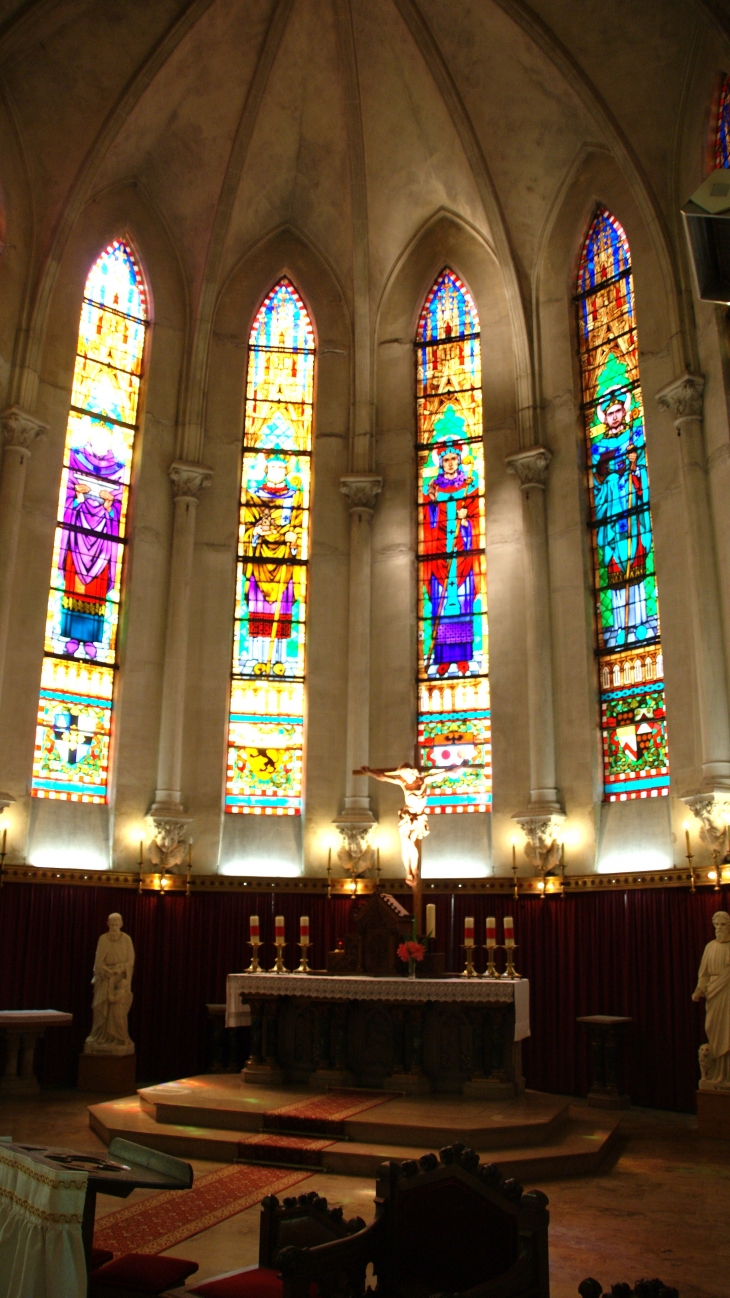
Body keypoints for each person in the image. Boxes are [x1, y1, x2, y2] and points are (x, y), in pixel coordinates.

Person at [590, 390, 656, 649]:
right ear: (603, 418)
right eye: (609, 413)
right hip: (611, 518)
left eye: (618, 411)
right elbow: (595, 485)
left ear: (624, 412)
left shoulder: (635, 437)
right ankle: (620, 626)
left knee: (638, 569)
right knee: (616, 571)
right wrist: (607, 480)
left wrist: (634, 469)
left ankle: (639, 623)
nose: (615, 416)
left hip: (632, 516)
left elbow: (642, 472)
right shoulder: (597, 448)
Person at [59, 422, 125, 658]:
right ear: (89, 441)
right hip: (77, 534)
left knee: (96, 591)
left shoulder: (117, 470)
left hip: (102, 539)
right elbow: (68, 498)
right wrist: (78, 495)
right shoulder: (77, 460)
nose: (99, 445)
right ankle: (71, 637)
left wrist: (108, 504)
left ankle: (90, 642)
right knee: (73, 584)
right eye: (96, 440)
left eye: (104, 441)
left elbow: (116, 510)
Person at [420, 428, 479, 677]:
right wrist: (433, 505)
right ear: (440, 462)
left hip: (462, 557)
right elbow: (427, 522)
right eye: (445, 459)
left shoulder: (468, 488)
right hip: (439, 556)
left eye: (454, 458)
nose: (450, 463)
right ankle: (442, 659)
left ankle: (464, 657)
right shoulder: (433, 490)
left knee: (463, 604)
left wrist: (466, 523)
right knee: (440, 606)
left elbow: (476, 519)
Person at [241, 451, 303, 676]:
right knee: (259, 609)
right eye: (274, 468)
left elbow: (297, 526)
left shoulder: (294, 498)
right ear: (266, 469)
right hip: (259, 562)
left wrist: (294, 539)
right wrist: (256, 532)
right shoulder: (252, 496)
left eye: (282, 469)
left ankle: (280, 661)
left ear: (287, 471)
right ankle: (256, 659)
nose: (278, 472)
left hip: (284, 563)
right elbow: (247, 528)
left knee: (283, 610)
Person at [354, 764, 452, 888]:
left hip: (418, 819)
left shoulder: (424, 781)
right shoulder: (403, 783)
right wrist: (370, 772)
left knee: (410, 842)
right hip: (406, 817)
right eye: (403, 775)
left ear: (412, 773)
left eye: (406, 775)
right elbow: (383, 777)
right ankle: (408, 871)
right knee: (405, 843)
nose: (405, 778)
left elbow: (444, 774)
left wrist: (457, 769)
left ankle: (414, 870)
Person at [84, 912, 135, 1055]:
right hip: (104, 978)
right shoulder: (103, 939)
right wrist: (105, 971)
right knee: (99, 1007)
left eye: (116, 925)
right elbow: (98, 961)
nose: (114, 927)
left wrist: (120, 968)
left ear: (121, 925)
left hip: (120, 981)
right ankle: (99, 1035)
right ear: (108, 924)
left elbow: (130, 961)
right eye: (111, 925)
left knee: (116, 1012)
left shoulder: (126, 939)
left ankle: (117, 1038)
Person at [692, 910, 730, 1088]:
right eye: (717, 925)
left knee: (727, 1033)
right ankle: (714, 1072)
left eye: (723, 925)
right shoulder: (710, 947)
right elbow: (703, 973)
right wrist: (699, 990)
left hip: (728, 993)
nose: (719, 929)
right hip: (713, 993)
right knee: (712, 1030)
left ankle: (725, 1074)